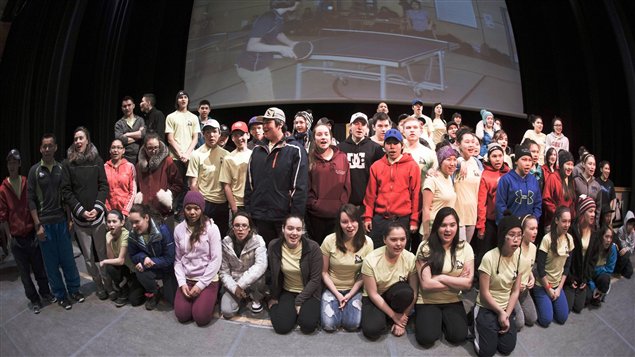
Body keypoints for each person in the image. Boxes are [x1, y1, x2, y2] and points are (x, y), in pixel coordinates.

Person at [27, 134, 82, 310]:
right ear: (40, 149)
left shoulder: (61, 168)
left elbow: (66, 196)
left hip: (61, 221)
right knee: (51, 263)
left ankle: (74, 290)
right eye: (45, 146)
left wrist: (69, 218)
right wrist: (38, 225)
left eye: (51, 146)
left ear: (56, 147)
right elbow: (31, 200)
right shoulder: (34, 171)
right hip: (45, 225)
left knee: (68, 259)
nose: (48, 149)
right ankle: (60, 295)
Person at [61, 126, 112, 300]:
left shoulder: (97, 160)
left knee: (103, 254)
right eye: (75, 139)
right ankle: (98, 285)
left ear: (87, 140)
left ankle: (109, 284)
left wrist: (97, 208)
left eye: (81, 138)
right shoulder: (67, 163)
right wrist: (81, 211)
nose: (78, 142)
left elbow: (104, 186)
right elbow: (66, 191)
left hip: (98, 218)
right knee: (89, 258)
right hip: (80, 220)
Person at [245, 107, 308, 245]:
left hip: (284, 218)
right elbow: (249, 184)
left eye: (268, 122)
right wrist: (249, 212)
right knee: (263, 258)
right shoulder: (256, 150)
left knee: (283, 259)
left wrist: (295, 218)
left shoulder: (295, 150)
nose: (264, 126)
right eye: (264, 122)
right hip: (259, 216)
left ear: (279, 124)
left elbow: (300, 188)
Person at [1, 149, 53, 314]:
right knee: (24, 274)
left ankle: (45, 293)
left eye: (15, 162)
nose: (12, 165)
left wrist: (39, 226)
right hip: (17, 238)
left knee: (39, 268)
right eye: (10, 162)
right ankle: (34, 300)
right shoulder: (3, 188)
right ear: (7, 165)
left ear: (20, 164)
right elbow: (3, 216)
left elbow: (35, 204)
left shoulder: (26, 182)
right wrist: (9, 238)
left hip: (31, 233)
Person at [415, 207, 472, 347]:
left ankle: (442, 320)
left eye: (452, 225)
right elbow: (426, 285)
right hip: (427, 300)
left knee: (458, 337)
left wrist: (440, 277)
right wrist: (458, 281)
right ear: (437, 226)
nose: (448, 229)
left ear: (457, 227)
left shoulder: (465, 248)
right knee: (426, 339)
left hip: (453, 299)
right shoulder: (425, 247)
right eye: (443, 225)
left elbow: (468, 284)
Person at [474, 213, 523, 357]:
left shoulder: (521, 257)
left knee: (506, 348)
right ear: (503, 236)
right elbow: (484, 293)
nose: (516, 239)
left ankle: (494, 326)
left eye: (519, 235)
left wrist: (506, 313)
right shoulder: (489, 258)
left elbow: (515, 291)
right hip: (486, 306)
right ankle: (475, 321)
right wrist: (500, 312)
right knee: (486, 352)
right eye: (512, 235)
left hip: (505, 307)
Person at [363, 129, 421, 248]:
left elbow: (415, 194)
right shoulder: (376, 166)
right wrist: (368, 217)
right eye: (389, 143)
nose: (392, 147)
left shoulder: (412, 166)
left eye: (395, 143)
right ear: (384, 146)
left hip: (402, 219)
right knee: (377, 252)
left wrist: (414, 220)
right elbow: (370, 194)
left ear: (402, 145)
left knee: (400, 254)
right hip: (380, 219)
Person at [320, 204, 374, 332]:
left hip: (354, 289)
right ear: (339, 224)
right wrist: (338, 295)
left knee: (352, 325)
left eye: (353, 221)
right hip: (332, 288)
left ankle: (345, 308)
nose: (350, 225)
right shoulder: (329, 241)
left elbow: (364, 274)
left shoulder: (368, 243)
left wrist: (349, 295)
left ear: (359, 222)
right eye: (345, 222)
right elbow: (324, 272)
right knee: (329, 325)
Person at [267, 215, 322, 334]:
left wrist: (299, 301)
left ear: (303, 231)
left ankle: (298, 313)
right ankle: (280, 309)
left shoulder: (313, 248)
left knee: (308, 326)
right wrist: (274, 297)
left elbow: (315, 280)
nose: (294, 233)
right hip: (288, 291)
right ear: (283, 229)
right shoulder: (274, 246)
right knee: (282, 328)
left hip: (309, 293)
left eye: (298, 229)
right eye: (290, 228)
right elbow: (274, 274)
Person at [173, 191, 222, 326]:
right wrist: (182, 283)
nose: (192, 212)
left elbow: (216, 259)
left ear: (202, 209)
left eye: (196, 208)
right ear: (184, 209)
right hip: (188, 279)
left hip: (207, 279)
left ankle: (212, 297)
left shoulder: (212, 228)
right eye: (188, 208)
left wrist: (200, 285)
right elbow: (178, 260)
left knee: (200, 318)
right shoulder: (178, 229)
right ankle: (199, 301)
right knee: (182, 315)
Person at [361, 222, 417, 340]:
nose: (398, 244)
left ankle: (390, 317)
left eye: (402, 239)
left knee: (406, 292)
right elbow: (373, 294)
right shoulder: (370, 260)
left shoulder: (410, 258)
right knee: (372, 331)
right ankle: (386, 317)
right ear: (384, 239)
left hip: (395, 296)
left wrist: (402, 318)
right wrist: (394, 316)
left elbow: (415, 292)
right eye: (393, 239)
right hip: (375, 297)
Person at [236, 0, 299, 101]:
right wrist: (280, 48)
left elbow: (278, 33)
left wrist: (291, 43)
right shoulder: (268, 18)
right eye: (297, 1)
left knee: (258, 98)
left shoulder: (278, 16)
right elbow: (251, 46)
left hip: (260, 65)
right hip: (252, 67)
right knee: (264, 101)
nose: (298, 3)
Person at [306, 123, 350, 244]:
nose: (323, 137)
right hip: (316, 216)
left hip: (337, 215)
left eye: (326, 134)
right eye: (319, 134)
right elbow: (306, 187)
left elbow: (347, 185)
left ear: (331, 138)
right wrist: (314, 205)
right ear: (314, 138)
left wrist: (341, 206)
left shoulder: (342, 158)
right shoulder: (309, 159)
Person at [127, 204, 176, 310]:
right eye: (132, 223)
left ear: (146, 218)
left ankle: (164, 287)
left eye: (137, 221)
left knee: (172, 301)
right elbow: (133, 255)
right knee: (134, 300)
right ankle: (153, 291)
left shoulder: (162, 230)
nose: (134, 226)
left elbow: (170, 258)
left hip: (167, 268)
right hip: (148, 267)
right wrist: (143, 258)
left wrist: (152, 261)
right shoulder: (132, 234)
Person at [186, 119, 230, 237]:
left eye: (214, 131)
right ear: (203, 135)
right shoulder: (196, 154)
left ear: (219, 133)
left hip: (222, 203)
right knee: (202, 237)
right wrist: (200, 205)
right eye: (208, 132)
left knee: (221, 237)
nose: (211, 135)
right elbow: (192, 183)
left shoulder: (226, 155)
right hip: (205, 203)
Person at [220, 212, 267, 318]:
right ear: (232, 227)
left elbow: (261, 265)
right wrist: (234, 288)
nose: (240, 229)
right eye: (237, 225)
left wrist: (240, 285)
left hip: (252, 282)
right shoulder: (226, 243)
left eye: (244, 225)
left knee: (259, 275)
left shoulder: (258, 241)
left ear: (249, 228)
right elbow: (224, 271)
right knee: (227, 312)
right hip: (234, 282)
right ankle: (241, 297)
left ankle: (255, 298)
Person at [533, 206, 573, 327]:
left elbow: (567, 267)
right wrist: (549, 289)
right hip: (543, 285)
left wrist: (559, 289)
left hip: (557, 285)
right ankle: (538, 300)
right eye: (564, 221)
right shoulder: (547, 239)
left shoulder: (569, 239)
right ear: (556, 220)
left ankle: (549, 301)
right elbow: (540, 268)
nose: (567, 225)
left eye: (569, 221)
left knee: (562, 318)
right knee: (546, 320)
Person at [135, 132, 184, 226]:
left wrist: (168, 196)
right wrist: (139, 197)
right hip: (145, 214)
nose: (153, 151)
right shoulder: (139, 166)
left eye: (156, 147)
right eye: (150, 148)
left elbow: (178, 183)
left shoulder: (167, 161)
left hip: (164, 213)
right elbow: (136, 185)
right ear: (144, 148)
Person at [165, 89, 200, 217]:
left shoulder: (194, 117)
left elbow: (195, 138)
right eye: (180, 98)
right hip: (175, 158)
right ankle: (173, 212)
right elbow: (170, 138)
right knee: (175, 186)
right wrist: (181, 155)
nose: (183, 99)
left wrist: (187, 154)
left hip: (190, 157)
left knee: (189, 186)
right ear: (177, 101)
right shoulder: (171, 116)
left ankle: (184, 212)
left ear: (188, 100)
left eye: (185, 97)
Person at [338, 112, 384, 208]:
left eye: (363, 124)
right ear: (350, 127)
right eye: (356, 123)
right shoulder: (340, 148)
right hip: (345, 204)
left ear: (367, 128)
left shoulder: (376, 148)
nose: (359, 127)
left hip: (367, 204)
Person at [475, 143, 510, 270]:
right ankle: (479, 281)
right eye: (494, 156)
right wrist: (481, 226)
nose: (497, 159)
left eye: (500, 156)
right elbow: (482, 203)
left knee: (502, 253)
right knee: (485, 253)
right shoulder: (485, 175)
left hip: (504, 221)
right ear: (489, 158)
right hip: (490, 222)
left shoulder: (509, 173)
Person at [565, 196, 596, 313]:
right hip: (571, 277)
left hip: (583, 278)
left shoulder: (594, 234)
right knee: (568, 307)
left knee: (579, 307)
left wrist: (585, 279)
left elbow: (593, 260)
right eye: (590, 211)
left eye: (594, 211)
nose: (593, 214)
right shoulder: (572, 231)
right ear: (583, 212)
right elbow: (566, 258)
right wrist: (570, 278)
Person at [495, 144, 542, 224]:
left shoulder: (533, 180)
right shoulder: (506, 179)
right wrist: (506, 225)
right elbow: (500, 205)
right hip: (510, 227)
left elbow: (537, 204)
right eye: (524, 159)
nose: (527, 163)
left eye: (530, 160)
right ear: (516, 161)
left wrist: (533, 221)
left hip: (528, 227)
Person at [100, 210, 137, 307]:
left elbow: (120, 260)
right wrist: (108, 243)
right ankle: (123, 289)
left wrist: (104, 261)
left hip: (133, 269)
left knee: (135, 301)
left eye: (114, 221)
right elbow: (112, 258)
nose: (111, 224)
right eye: (109, 222)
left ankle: (131, 283)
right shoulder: (108, 234)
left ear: (122, 222)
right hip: (124, 268)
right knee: (110, 268)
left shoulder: (126, 235)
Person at [420, 144, 457, 239]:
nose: (452, 163)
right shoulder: (432, 179)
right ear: (440, 162)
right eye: (448, 159)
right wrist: (426, 233)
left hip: (446, 229)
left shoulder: (448, 177)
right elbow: (426, 209)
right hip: (433, 228)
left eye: (454, 159)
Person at [454, 129, 482, 242]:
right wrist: (459, 160)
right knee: (457, 252)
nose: (471, 145)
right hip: (456, 215)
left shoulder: (478, 163)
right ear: (458, 144)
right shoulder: (453, 160)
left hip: (472, 215)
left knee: (466, 251)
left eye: (473, 142)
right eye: (467, 142)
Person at [219, 121, 252, 215]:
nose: (239, 138)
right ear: (232, 138)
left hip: (253, 202)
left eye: (241, 135)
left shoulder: (254, 155)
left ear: (248, 135)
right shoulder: (228, 158)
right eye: (236, 135)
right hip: (237, 204)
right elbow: (226, 185)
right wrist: (233, 207)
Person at [513, 214, 538, 329]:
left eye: (536, 228)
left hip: (524, 291)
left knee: (532, 319)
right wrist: (516, 287)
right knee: (519, 324)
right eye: (531, 229)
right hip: (512, 291)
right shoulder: (515, 250)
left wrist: (532, 278)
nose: (535, 232)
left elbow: (529, 267)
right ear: (523, 231)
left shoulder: (533, 248)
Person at [542, 150, 576, 232]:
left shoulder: (571, 181)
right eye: (567, 164)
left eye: (572, 165)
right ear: (561, 165)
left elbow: (572, 202)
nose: (570, 167)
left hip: (567, 224)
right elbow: (546, 199)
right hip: (553, 223)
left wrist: (572, 216)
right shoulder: (553, 177)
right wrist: (559, 215)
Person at [104, 139, 136, 216]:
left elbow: (133, 191)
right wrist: (108, 211)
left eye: (119, 148)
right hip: (109, 213)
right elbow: (102, 191)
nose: (116, 150)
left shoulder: (130, 167)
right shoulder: (104, 168)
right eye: (113, 147)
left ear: (123, 150)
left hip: (126, 213)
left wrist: (125, 211)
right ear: (110, 150)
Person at [586, 225, 617, 306]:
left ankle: (601, 293)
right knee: (587, 299)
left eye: (610, 237)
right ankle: (596, 294)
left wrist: (596, 269)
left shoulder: (613, 248)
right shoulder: (594, 246)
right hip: (589, 276)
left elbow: (609, 270)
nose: (609, 240)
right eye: (606, 237)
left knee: (605, 279)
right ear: (601, 236)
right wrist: (593, 287)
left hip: (600, 276)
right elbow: (587, 268)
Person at [402, 116, 438, 183]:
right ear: (403, 132)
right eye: (408, 128)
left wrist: (431, 171)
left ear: (421, 131)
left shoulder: (430, 153)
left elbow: (436, 172)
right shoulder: (396, 150)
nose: (412, 130)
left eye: (415, 127)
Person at [114, 96, 145, 164]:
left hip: (140, 157)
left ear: (133, 106)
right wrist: (137, 136)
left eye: (129, 105)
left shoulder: (140, 120)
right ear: (122, 108)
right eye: (124, 106)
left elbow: (143, 134)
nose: (127, 108)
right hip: (125, 157)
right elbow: (121, 140)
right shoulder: (119, 123)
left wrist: (127, 134)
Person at [573, 152, 603, 225]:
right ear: (583, 164)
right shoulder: (576, 181)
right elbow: (572, 203)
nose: (592, 167)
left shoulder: (597, 186)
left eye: (594, 164)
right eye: (590, 164)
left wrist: (596, 225)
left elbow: (598, 208)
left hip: (591, 225)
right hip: (577, 223)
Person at [614, 212, 633, 278]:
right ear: (626, 223)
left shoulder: (633, 233)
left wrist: (627, 249)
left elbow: (632, 247)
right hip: (619, 252)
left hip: (626, 254)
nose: (631, 226)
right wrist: (626, 248)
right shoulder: (621, 230)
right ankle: (616, 271)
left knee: (629, 273)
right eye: (629, 224)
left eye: (632, 225)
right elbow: (620, 245)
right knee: (626, 254)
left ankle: (620, 269)